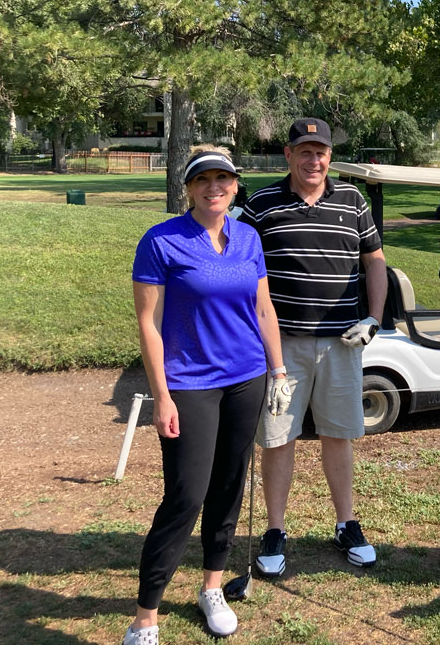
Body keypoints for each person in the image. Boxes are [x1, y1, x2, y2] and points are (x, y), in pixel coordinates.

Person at [125, 146, 291, 645]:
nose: (214, 187)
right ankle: (145, 615)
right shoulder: (161, 241)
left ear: (235, 186)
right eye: (203, 180)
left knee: (229, 487)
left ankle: (212, 586)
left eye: (223, 178)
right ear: (189, 188)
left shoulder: (248, 237)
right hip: (190, 384)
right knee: (185, 496)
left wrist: (278, 371)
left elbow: (263, 309)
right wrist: (163, 395)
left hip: (246, 378)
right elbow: (148, 324)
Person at [238, 117, 387, 575]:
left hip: (343, 342)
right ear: (288, 155)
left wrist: (374, 319)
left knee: (338, 436)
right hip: (282, 347)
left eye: (321, 151)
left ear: (329, 156)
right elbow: (236, 261)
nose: (314, 159)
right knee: (279, 438)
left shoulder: (353, 200)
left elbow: (375, 262)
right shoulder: (262, 204)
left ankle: (346, 523)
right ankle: (275, 530)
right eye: (304, 151)